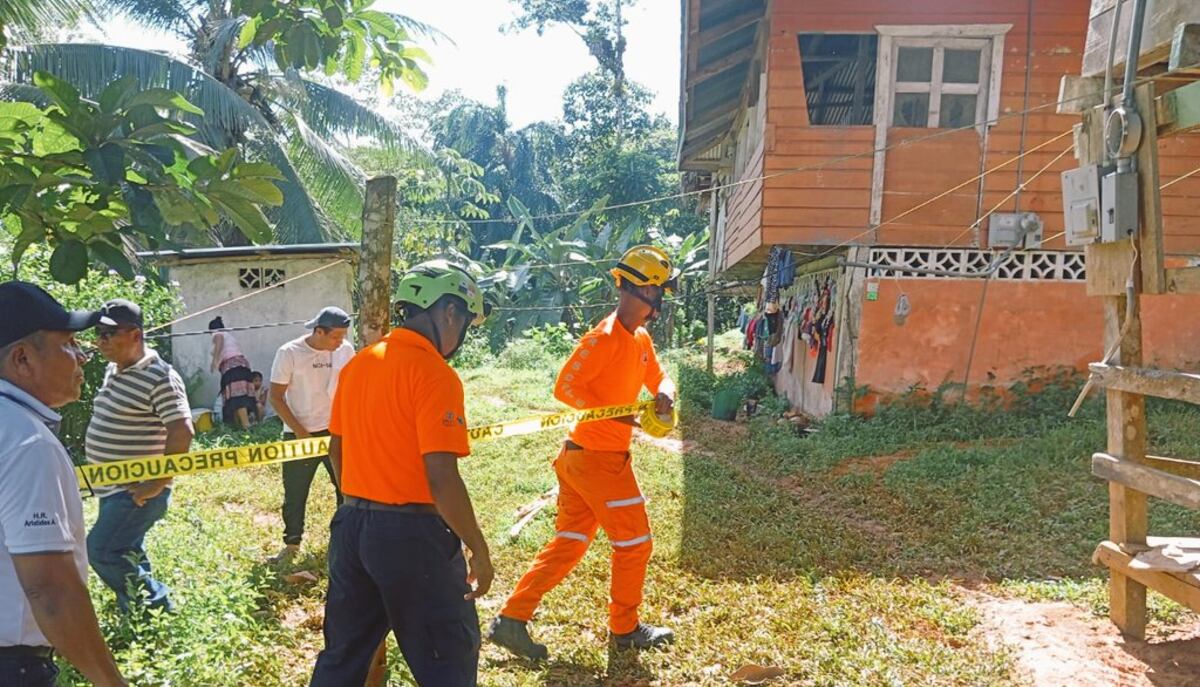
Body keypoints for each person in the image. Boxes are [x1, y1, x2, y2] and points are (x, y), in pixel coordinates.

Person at [488, 245, 678, 660]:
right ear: (643, 291)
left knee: (570, 543)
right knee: (636, 542)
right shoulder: (603, 338)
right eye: (658, 295)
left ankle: (511, 619)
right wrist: (620, 417)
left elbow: (658, 374)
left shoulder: (640, 339)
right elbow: (565, 388)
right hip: (596, 460)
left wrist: (664, 391)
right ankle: (625, 629)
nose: (658, 307)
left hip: (585, 458)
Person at [310, 261, 493, 687]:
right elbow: (441, 476)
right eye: (464, 319)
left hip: (351, 528)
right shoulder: (434, 374)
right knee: (449, 658)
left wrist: (363, 501)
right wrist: (477, 547)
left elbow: (337, 449)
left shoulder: (358, 365)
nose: (462, 334)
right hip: (414, 537)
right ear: (448, 311)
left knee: (342, 658)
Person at [0, 281, 127, 687]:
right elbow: (50, 590)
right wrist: (111, 682)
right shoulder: (25, 440)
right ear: (22, 359)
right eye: (70, 344)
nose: (83, 357)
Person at [86, 299, 193, 613]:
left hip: (137, 490)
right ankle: (137, 616)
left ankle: (157, 608)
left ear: (135, 335)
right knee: (127, 551)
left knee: (103, 550)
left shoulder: (160, 376)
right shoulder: (115, 368)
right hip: (114, 487)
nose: (101, 341)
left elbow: (182, 431)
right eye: (98, 333)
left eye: (109, 334)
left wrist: (159, 481)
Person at [267, 307, 354, 564]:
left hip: (336, 431)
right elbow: (276, 397)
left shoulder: (346, 350)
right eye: (335, 337)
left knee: (346, 488)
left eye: (342, 337)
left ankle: (344, 543)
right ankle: (291, 544)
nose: (340, 342)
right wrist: (300, 433)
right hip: (299, 433)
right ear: (318, 331)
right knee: (295, 492)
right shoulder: (289, 353)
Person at [209, 316, 255, 429]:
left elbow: (219, 342)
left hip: (232, 367)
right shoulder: (230, 336)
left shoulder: (218, 334)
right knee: (241, 395)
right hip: (242, 365)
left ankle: (245, 425)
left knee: (237, 396)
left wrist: (214, 362)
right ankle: (241, 424)